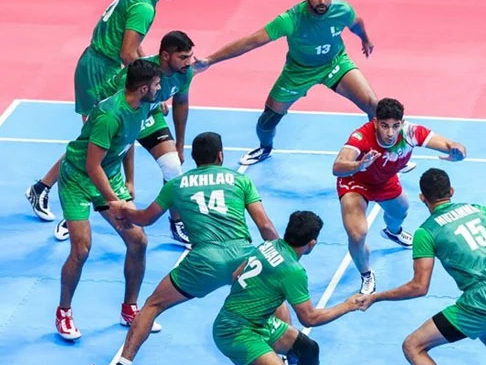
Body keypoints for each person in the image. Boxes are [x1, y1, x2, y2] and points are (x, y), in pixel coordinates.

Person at [26, 0, 185, 223]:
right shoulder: (144, 7)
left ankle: (45, 188)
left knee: (104, 137)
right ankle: (58, 196)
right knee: (94, 142)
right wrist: (153, 91)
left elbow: (132, 44)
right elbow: (127, 54)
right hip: (100, 72)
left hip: (98, 64)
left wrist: (153, 77)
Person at [110, 131, 281, 364]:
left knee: (152, 305)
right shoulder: (240, 180)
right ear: (220, 155)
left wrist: (123, 210)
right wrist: (278, 260)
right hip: (243, 257)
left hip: (203, 262)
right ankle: (282, 354)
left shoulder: (176, 185)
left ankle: (125, 360)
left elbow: (146, 218)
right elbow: (265, 226)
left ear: (194, 158)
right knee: (273, 296)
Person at [193, 0, 379, 166]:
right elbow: (250, 42)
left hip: (334, 63)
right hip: (297, 72)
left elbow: (356, 23)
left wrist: (365, 39)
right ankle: (265, 148)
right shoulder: (290, 20)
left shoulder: (343, 10)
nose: (322, 0)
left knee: (373, 104)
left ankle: (380, 152)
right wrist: (210, 60)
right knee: (267, 121)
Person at [357, 168, 486, 365]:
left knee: (413, 346)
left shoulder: (426, 232)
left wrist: (376, 297)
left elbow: (419, 287)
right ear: (451, 191)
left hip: (481, 301)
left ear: (422, 197)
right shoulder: (474, 209)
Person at [55, 60, 164, 341]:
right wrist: (115, 202)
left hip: (110, 174)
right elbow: (92, 166)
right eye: (155, 85)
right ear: (142, 88)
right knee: (81, 250)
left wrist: (129, 181)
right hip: (78, 178)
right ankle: (64, 311)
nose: (159, 88)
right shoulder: (109, 115)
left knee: (138, 241)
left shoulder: (143, 106)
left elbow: (127, 143)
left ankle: (129, 309)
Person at [53, 30, 196, 244]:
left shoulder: (185, 73)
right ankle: (73, 214)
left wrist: (180, 144)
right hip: (118, 115)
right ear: (166, 56)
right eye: (184, 57)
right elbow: (123, 127)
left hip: (148, 112)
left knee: (173, 166)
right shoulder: (132, 83)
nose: (189, 62)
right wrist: (130, 180)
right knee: (93, 159)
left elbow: (181, 103)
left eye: (191, 56)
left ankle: (176, 222)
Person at [332, 98, 466, 295]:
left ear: (401, 124)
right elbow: (337, 167)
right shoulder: (361, 137)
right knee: (357, 234)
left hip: (385, 179)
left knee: (401, 210)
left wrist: (458, 152)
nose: (390, 133)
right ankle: (366, 273)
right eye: (384, 126)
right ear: (376, 122)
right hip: (356, 182)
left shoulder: (411, 132)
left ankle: (393, 232)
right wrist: (359, 165)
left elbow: (449, 144)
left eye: (395, 126)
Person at [212, 211, 362, 365]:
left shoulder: (268, 245)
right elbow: (310, 318)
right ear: (312, 244)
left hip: (258, 323)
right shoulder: (293, 271)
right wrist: (348, 305)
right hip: (234, 332)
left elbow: (236, 275)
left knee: (307, 349)